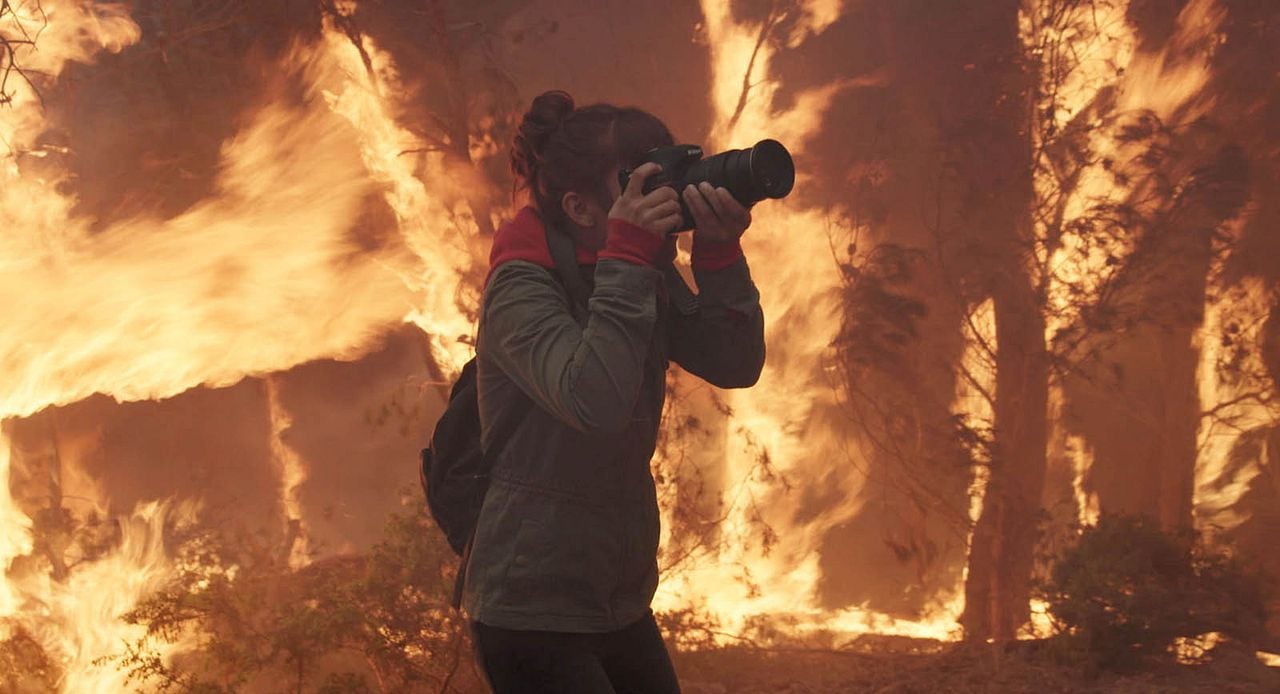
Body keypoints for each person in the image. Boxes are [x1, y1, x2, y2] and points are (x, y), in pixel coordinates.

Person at [465, 90, 766, 694]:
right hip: (530, 607)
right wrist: (628, 258)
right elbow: (594, 402)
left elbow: (734, 362)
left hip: (615, 595)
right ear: (579, 206)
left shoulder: (632, 270)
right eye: (639, 184)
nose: (661, 199)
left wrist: (717, 252)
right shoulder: (522, 286)